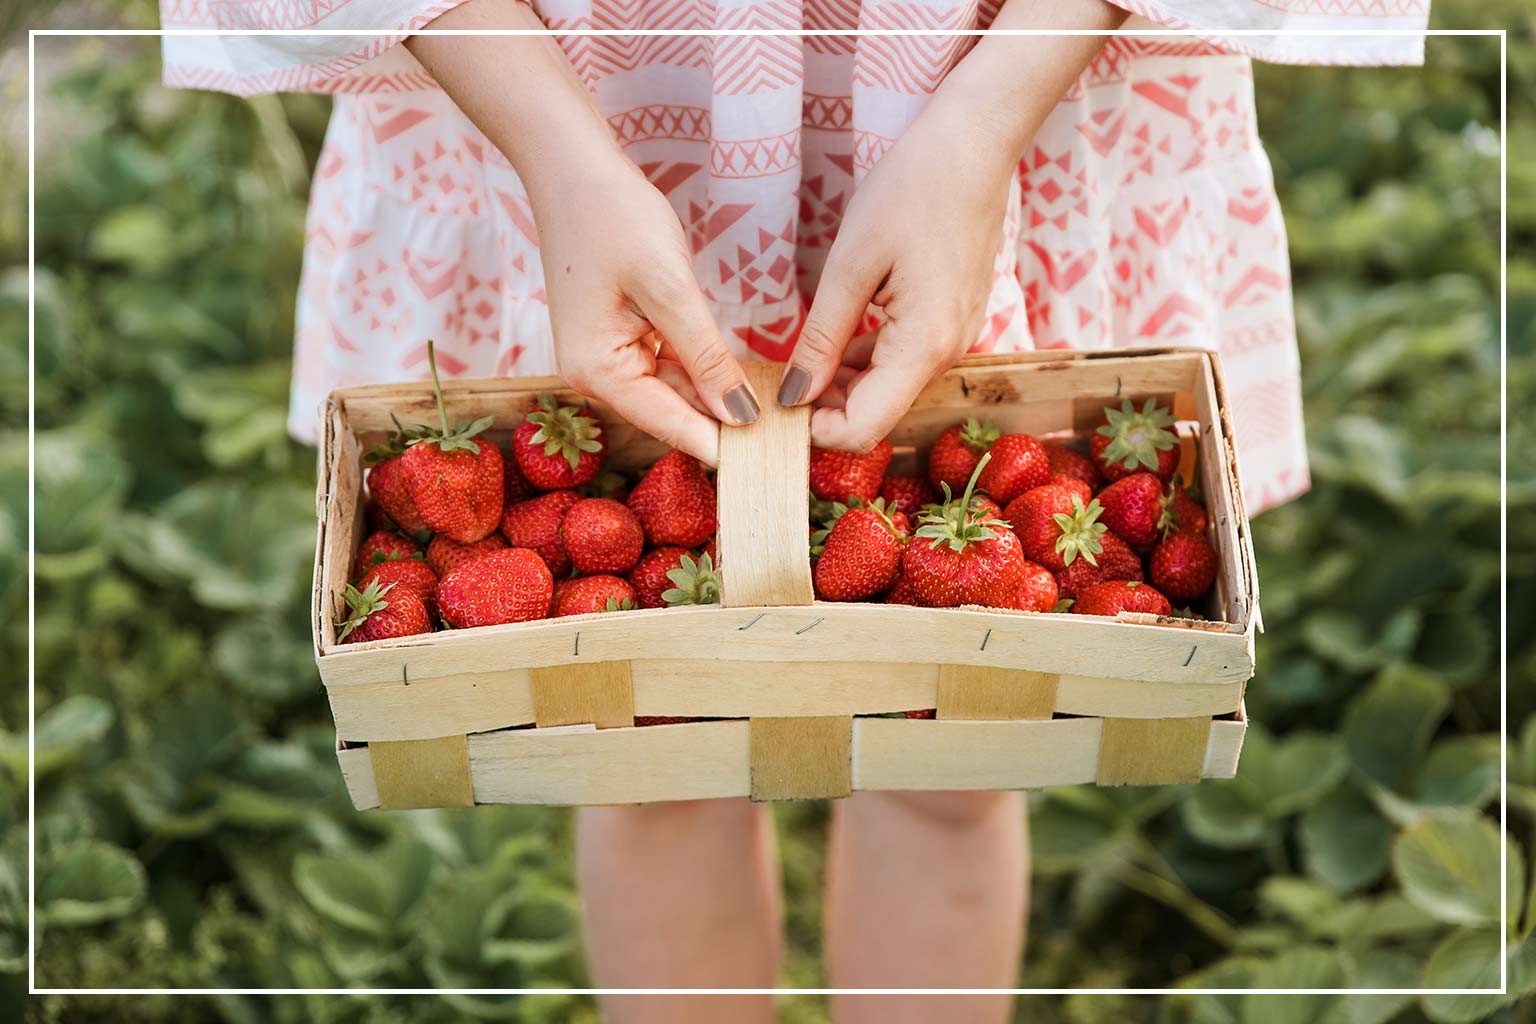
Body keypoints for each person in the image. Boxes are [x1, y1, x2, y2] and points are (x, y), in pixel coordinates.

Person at [161, 1, 1428, 1019]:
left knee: (954, 748)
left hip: (999, 66)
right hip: (560, 91)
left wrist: (985, 125)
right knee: (644, 750)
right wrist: (552, 147)